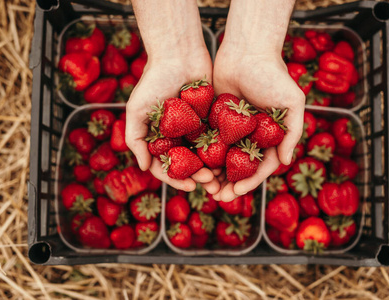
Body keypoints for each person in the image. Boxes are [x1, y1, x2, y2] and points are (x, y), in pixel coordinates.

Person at [126, 0, 305, 202]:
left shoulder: (220, 122)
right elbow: (207, 126)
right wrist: (170, 54)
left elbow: (214, 130)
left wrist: (256, 51)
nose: (198, 121)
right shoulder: (218, 121)